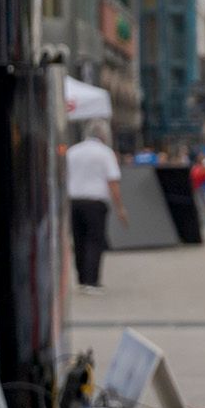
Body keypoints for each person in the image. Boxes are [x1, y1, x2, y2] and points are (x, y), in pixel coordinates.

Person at [64, 122, 127, 292]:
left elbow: (63, 177)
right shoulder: (105, 153)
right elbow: (113, 181)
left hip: (74, 200)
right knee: (94, 240)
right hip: (95, 201)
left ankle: (82, 278)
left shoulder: (73, 151)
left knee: (79, 240)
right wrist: (120, 207)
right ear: (104, 136)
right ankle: (92, 281)